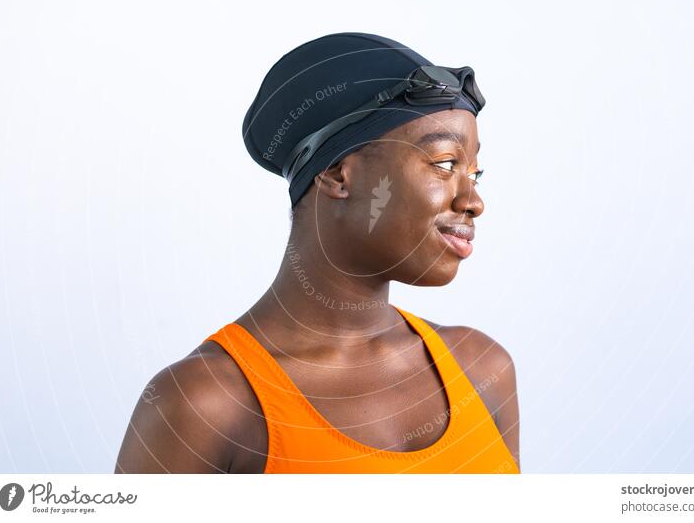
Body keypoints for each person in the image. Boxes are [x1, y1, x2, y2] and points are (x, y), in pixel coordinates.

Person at [115, 32, 520, 473]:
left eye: (475, 172)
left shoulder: (481, 370)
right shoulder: (205, 404)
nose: (473, 201)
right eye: (444, 163)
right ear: (337, 174)